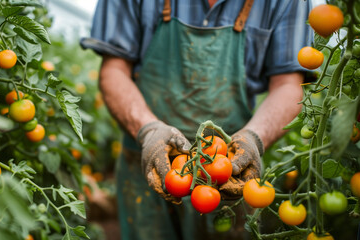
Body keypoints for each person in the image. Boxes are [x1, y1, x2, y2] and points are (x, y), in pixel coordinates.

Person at [80, 0, 313, 239]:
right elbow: (114, 69)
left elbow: (289, 85)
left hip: (230, 173)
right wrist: (148, 130)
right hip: (143, 163)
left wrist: (254, 137)